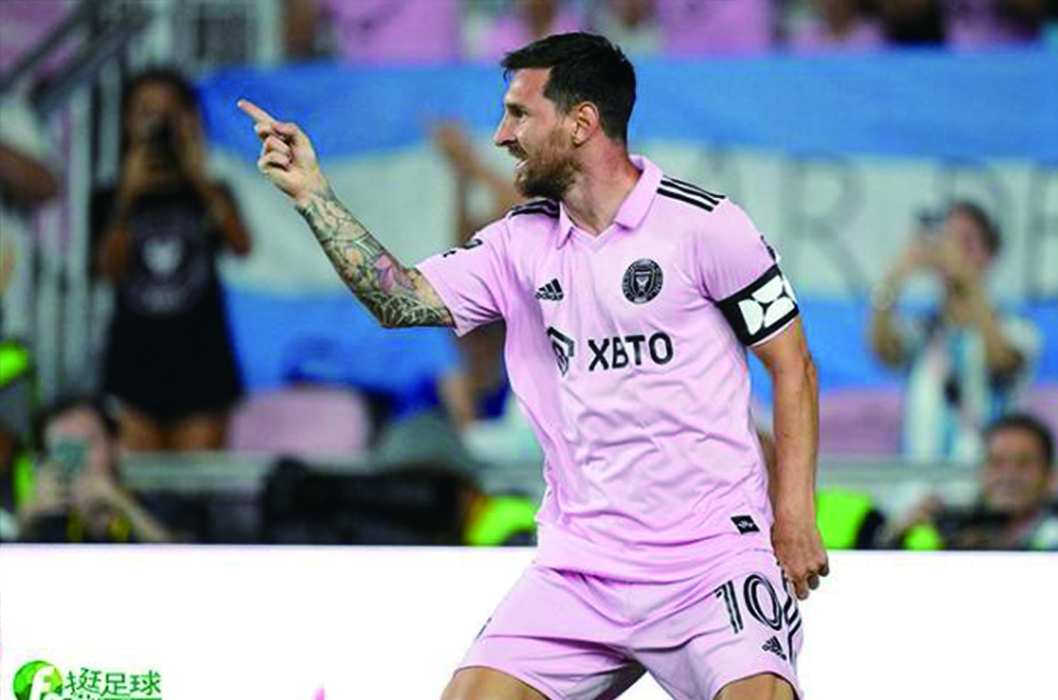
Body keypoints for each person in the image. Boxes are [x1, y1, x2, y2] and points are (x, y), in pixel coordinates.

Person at [240, 32, 827, 700]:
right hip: (581, 568)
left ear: (581, 122)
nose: (501, 135)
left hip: (712, 562)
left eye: (519, 114)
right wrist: (313, 194)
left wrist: (794, 515)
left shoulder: (708, 227)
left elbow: (793, 366)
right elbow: (398, 299)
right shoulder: (517, 243)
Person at [92, 68, 252, 452]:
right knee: (133, 485)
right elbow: (107, 271)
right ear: (127, 121)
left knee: (196, 486)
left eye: (168, 112)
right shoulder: (110, 197)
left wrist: (199, 177)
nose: (158, 125)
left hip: (202, 368)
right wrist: (127, 197)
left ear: (188, 118)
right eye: (146, 112)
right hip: (134, 368)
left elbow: (241, 245)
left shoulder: (211, 191)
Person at [869, 201, 1040, 464]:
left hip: (983, 481)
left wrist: (968, 279)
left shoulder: (1017, 329)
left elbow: (1002, 361)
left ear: (990, 253)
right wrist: (896, 275)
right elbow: (883, 351)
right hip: (919, 483)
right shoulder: (924, 330)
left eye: (966, 241)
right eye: (946, 238)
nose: (952, 250)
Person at [888, 413, 1058, 550]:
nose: (1008, 476)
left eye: (1023, 464)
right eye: (996, 463)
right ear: (982, 473)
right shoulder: (956, 527)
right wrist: (897, 541)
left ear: (1050, 475)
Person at [18, 395, 173, 544]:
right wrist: (27, 520)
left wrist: (123, 505)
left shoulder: (159, 507)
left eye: (88, 442)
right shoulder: (47, 523)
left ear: (115, 446)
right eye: (63, 449)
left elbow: (177, 553)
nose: (79, 460)